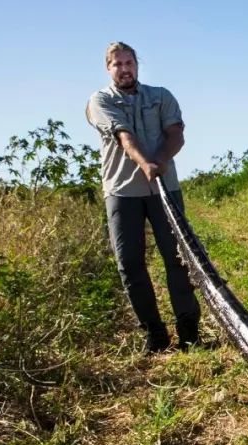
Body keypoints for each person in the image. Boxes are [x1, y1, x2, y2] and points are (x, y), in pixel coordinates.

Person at [86, 42, 200, 353]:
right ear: (108, 69)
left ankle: (189, 330)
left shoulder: (161, 96)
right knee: (130, 264)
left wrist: (161, 160)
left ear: (137, 65)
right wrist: (144, 162)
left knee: (179, 258)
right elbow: (124, 136)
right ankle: (155, 334)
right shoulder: (100, 100)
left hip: (166, 188)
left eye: (129, 62)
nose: (125, 69)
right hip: (123, 191)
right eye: (117, 64)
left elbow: (176, 133)